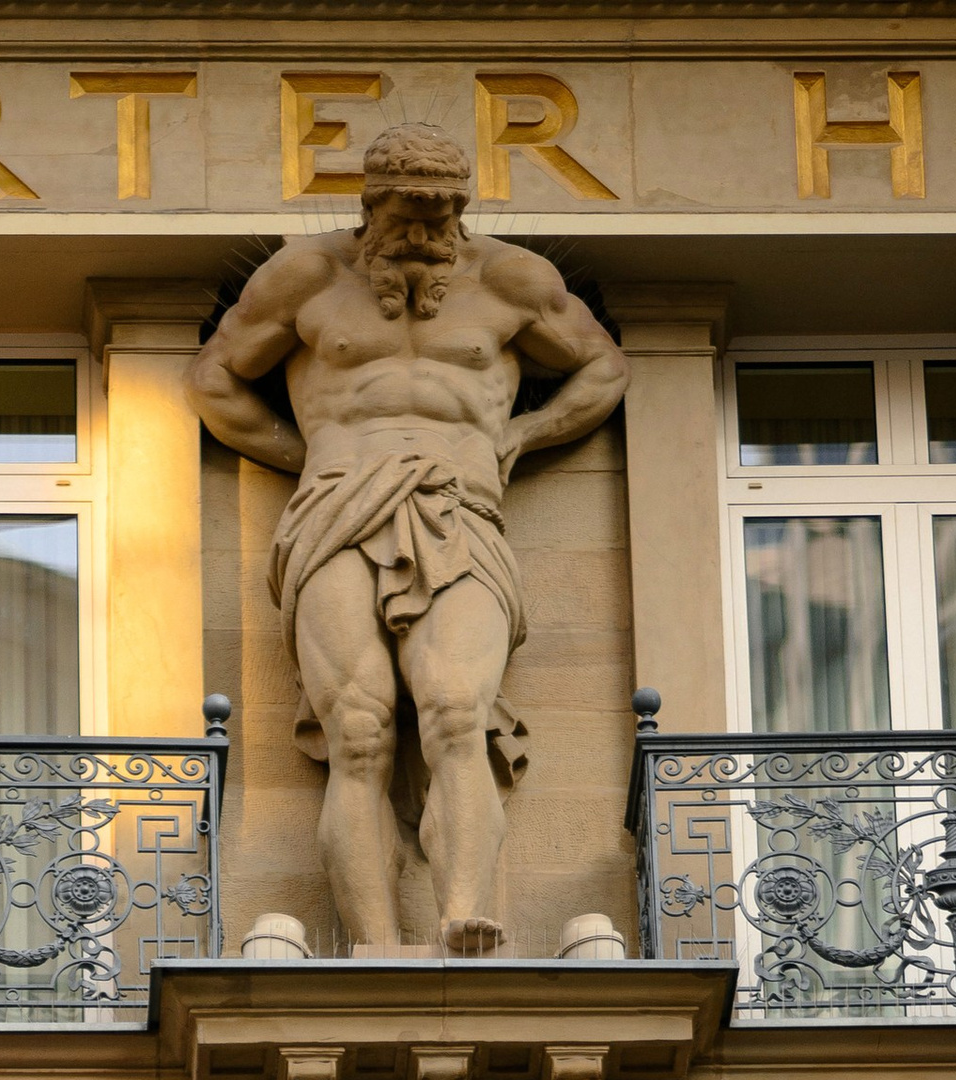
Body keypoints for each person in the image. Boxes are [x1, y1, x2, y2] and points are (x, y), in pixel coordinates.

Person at [187, 126, 628, 955]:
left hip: (458, 509)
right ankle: (377, 942)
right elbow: (214, 379)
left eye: (439, 217)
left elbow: (603, 368)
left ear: (461, 209)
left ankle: (464, 914)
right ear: (370, 207)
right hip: (335, 511)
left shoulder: (512, 278)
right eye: (404, 217)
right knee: (358, 731)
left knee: (457, 709)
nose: (422, 235)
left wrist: (523, 435)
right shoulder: (307, 276)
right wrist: (308, 459)